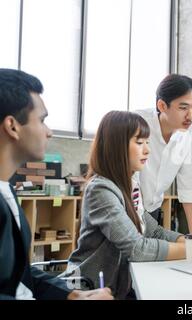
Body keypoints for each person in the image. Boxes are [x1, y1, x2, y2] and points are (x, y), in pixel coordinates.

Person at [66, 111, 192, 299]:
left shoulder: (130, 186)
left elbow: (154, 231)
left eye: (147, 142)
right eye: (139, 143)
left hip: (118, 285)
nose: (147, 150)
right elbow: (138, 249)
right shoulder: (101, 190)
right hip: (90, 288)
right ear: (116, 147)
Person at [0, 68, 112, 300]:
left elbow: (19, 275)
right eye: (42, 120)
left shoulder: (7, 190)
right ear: (12, 126)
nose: (49, 132)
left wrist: (73, 296)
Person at [135, 74, 192, 233]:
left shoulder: (191, 131)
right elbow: (130, 181)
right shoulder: (138, 123)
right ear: (162, 105)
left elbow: (188, 184)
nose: (190, 116)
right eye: (183, 108)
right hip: (128, 207)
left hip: (153, 209)